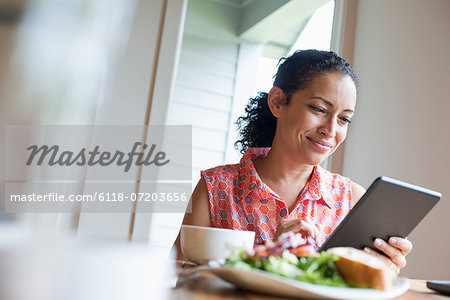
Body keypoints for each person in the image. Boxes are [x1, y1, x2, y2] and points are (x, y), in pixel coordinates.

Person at [173, 49, 412, 274]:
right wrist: (270, 257)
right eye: (319, 109)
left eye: (344, 119)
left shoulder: (353, 201)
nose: (330, 130)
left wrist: (381, 270)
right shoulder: (216, 188)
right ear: (278, 102)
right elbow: (177, 279)